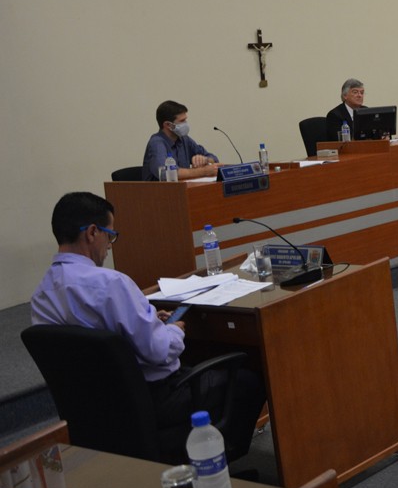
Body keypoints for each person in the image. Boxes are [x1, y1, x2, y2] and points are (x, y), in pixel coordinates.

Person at [30, 192, 266, 460]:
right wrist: (174, 330)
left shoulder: (41, 295)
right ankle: (213, 461)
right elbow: (158, 350)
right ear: (93, 232)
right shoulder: (111, 284)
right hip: (156, 399)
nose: (110, 246)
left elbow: (89, 343)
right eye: (110, 236)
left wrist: (149, 319)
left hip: (94, 409)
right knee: (250, 379)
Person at [142, 100, 219, 181]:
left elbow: (214, 159)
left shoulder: (184, 139)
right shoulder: (157, 143)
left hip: (183, 187)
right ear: (168, 125)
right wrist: (203, 171)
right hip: (158, 189)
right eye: (182, 121)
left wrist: (205, 160)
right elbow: (165, 174)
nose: (186, 124)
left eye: (185, 120)